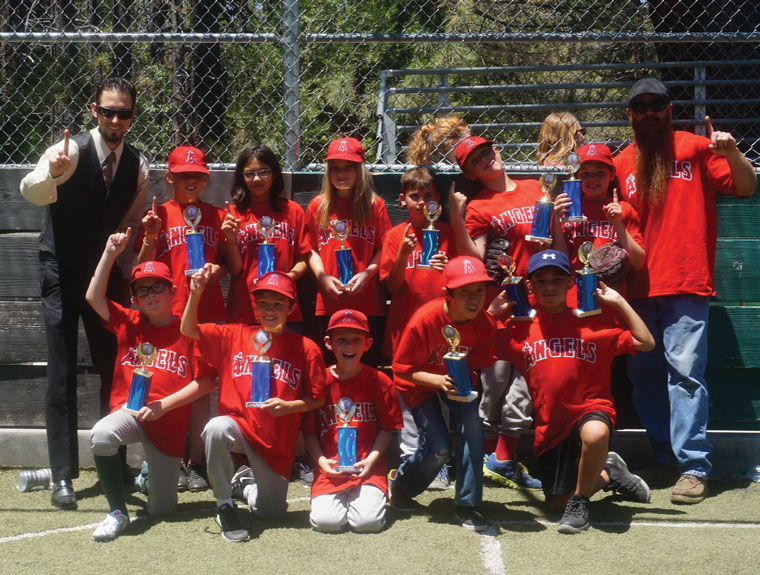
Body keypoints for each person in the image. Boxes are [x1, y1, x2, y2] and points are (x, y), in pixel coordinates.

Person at [614, 78, 757, 503]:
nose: (649, 112)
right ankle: (664, 456)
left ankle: (694, 465)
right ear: (630, 115)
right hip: (638, 286)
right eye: (641, 107)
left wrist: (732, 153)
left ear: (669, 108)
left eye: (657, 104)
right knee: (643, 377)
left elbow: (746, 187)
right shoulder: (622, 162)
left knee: (685, 377)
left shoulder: (694, 147)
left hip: (686, 281)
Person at [19, 77, 150, 509]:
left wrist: (131, 259)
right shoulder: (69, 150)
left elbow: (127, 225)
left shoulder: (138, 165)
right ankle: (62, 476)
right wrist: (52, 174)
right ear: (93, 111)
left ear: (132, 116)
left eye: (124, 113)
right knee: (61, 367)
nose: (115, 119)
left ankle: (116, 462)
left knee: (115, 367)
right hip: (59, 267)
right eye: (108, 111)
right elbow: (31, 191)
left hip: (104, 274)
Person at [497, 250, 655, 533]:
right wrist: (491, 314)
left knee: (595, 433)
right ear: (529, 286)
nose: (550, 287)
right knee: (557, 504)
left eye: (557, 279)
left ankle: (581, 501)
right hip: (551, 429)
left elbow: (646, 342)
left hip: (591, 411)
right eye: (541, 280)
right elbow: (477, 349)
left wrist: (619, 302)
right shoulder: (520, 330)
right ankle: (610, 473)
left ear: (571, 283)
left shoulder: (592, 322)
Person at [85, 230, 214, 541]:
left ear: (172, 292)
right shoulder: (128, 321)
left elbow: (206, 381)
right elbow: (93, 297)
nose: (151, 295)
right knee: (101, 435)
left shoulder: (188, 329)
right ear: (135, 299)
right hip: (130, 412)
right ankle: (117, 510)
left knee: (163, 511)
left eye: (158, 287)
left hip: (167, 424)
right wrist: (108, 253)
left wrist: (163, 406)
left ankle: (147, 478)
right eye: (143, 291)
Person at [181, 269, 326, 542]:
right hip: (239, 429)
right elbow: (188, 329)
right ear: (255, 306)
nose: (269, 310)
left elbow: (317, 398)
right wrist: (196, 293)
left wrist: (289, 406)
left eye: (278, 304)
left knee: (271, 514)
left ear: (291, 308)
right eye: (263, 303)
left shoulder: (306, 347)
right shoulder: (233, 335)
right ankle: (224, 505)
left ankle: (245, 485)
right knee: (215, 427)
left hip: (275, 446)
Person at [449, 135, 546, 490]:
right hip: (504, 304)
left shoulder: (536, 188)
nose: (487, 159)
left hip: (541, 302)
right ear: (471, 173)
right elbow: (473, 260)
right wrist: (457, 216)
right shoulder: (478, 207)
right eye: (476, 160)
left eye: (488, 152)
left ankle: (503, 459)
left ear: (499, 150)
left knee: (527, 384)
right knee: (494, 384)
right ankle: (480, 458)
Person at [135, 145, 227, 492]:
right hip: (169, 315)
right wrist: (150, 235)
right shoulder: (159, 215)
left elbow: (227, 264)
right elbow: (141, 268)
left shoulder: (216, 216)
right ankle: (164, 459)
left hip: (207, 312)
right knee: (168, 385)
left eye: (197, 176)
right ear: (169, 177)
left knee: (201, 390)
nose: (191, 181)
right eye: (183, 175)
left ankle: (197, 462)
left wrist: (215, 270)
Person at [389, 256, 500, 532]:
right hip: (419, 382)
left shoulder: (485, 324)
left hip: (456, 383)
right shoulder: (424, 319)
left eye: (480, 290)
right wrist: (438, 380)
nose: (474, 299)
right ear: (447, 294)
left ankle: (467, 504)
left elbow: (477, 365)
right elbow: (401, 371)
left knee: (473, 428)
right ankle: (403, 487)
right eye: (465, 292)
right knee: (439, 449)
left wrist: (460, 385)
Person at [380, 167, 456, 489]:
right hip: (406, 331)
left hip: (441, 334)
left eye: (428, 196)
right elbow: (391, 286)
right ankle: (412, 457)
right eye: (415, 196)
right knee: (408, 394)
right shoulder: (396, 236)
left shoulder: (449, 234)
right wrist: (404, 255)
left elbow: (461, 284)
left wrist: (447, 268)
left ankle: (441, 462)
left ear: (438, 200)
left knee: (444, 393)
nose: (423, 202)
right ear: (402, 200)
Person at [303, 309, 402, 533]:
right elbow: (309, 431)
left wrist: (372, 460)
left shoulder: (380, 381)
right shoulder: (319, 381)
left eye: (356, 340)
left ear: (368, 343)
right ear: (328, 343)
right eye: (341, 340)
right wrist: (321, 463)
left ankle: (369, 498)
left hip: (368, 468)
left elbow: (387, 428)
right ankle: (346, 500)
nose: (349, 346)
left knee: (367, 524)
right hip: (330, 468)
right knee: (326, 523)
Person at [305, 137, 391, 367]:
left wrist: (368, 274)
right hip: (330, 301)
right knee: (330, 371)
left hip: (368, 301)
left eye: (348, 167)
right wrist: (321, 276)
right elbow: (310, 249)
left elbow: (386, 247)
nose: (341, 173)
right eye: (335, 168)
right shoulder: (318, 206)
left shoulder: (375, 205)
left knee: (367, 369)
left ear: (359, 170)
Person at [222, 145, 311, 326]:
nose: (256, 179)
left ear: (274, 174)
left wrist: (288, 278)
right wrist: (231, 241)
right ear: (241, 177)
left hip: (284, 307)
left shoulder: (292, 210)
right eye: (249, 174)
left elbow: (303, 258)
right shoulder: (233, 213)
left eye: (263, 172)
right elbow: (236, 270)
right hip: (245, 309)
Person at [553, 143, 645, 296]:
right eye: (585, 174)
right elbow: (559, 262)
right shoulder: (567, 211)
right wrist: (556, 221)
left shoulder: (624, 209)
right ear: (576, 175)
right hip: (573, 297)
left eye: (600, 173)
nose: (592, 179)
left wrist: (618, 224)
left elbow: (638, 262)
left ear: (612, 174)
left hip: (612, 299)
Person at [406, 116, 471, 165]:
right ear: (452, 143)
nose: (471, 143)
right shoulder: (444, 170)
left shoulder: (462, 165)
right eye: (467, 140)